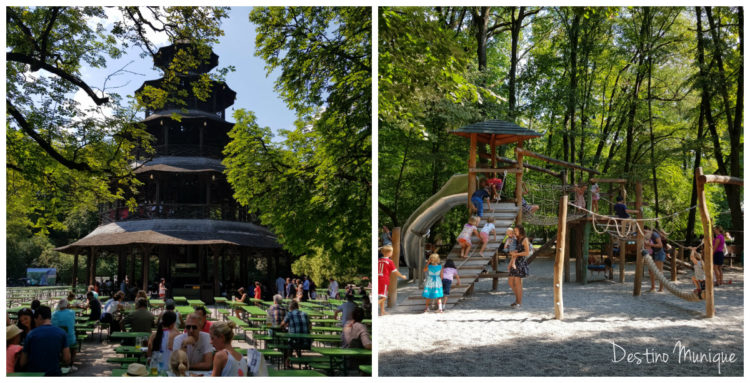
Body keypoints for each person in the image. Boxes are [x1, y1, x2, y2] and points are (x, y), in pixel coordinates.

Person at [19, 306, 71, 376]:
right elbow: (67, 359)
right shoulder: (62, 333)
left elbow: (22, 362)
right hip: (54, 373)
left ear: (39, 317)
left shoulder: (31, 334)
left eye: (35, 319)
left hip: (34, 374)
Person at [378, 245, 407, 316]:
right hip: (384, 280)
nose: (392, 253)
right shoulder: (389, 261)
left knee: (382, 296)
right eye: (392, 252)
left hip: (378, 279)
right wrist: (402, 276)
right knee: (384, 297)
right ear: (389, 253)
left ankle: (382, 311)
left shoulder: (379, 260)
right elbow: (395, 271)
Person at [281, 300, 311, 368]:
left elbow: (282, 324)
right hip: (306, 342)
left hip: (295, 342)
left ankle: (287, 363)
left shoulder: (290, 314)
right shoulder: (305, 314)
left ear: (291, 307)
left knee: (287, 343)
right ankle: (298, 355)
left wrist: (285, 327)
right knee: (296, 337)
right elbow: (310, 326)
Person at [508, 225, 530, 308]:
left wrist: (516, 254)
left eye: (516, 231)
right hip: (514, 261)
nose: (514, 232)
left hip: (520, 263)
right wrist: (510, 263)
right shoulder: (516, 240)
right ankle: (517, 300)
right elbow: (513, 252)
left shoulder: (525, 239)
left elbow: (527, 253)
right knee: (510, 282)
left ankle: (519, 302)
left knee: (518, 283)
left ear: (520, 231)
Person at [51, 299, 76, 370]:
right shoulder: (72, 312)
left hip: (56, 339)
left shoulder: (54, 314)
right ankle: (70, 364)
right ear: (67, 305)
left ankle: (60, 361)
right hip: (70, 339)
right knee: (74, 346)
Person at [644, 226, 666, 292]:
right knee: (651, 271)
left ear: (648, 230)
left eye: (645, 231)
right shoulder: (646, 236)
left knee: (659, 271)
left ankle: (661, 288)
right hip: (653, 254)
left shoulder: (654, 234)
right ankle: (653, 287)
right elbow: (648, 247)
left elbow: (660, 245)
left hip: (659, 253)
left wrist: (650, 244)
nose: (644, 233)